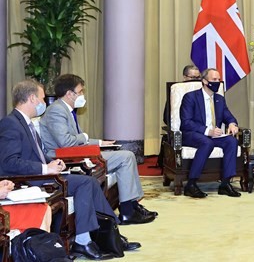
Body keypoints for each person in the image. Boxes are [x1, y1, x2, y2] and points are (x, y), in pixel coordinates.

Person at [0, 80, 139, 260]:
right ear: (32, 98)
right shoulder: (11, 123)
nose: (44, 102)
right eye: (42, 98)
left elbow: (38, 154)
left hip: (41, 175)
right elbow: (9, 162)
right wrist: (45, 168)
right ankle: (84, 242)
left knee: (89, 182)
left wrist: (54, 162)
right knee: (85, 183)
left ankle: (110, 236)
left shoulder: (25, 122)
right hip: (28, 179)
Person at [39, 74, 156, 225]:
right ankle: (127, 211)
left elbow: (78, 139)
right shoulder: (57, 111)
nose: (82, 95)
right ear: (69, 94)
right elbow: (66, 142)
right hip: (64, 158)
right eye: (80, 92)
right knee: (126, 156)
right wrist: (85, 137)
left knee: (127, 155)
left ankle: (132, 205)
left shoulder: (66, 110)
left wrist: (101, 143)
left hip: (75, 153)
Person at [179, 68, 241, 198]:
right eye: (214, 79)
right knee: (207, 143)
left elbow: (228, 116)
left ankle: (225, 183)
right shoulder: (190, 97)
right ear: (204, 81)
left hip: (214, 135)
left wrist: (232, 123)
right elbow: (186, 122)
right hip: (193, 134)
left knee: (231, 141)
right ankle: (191, 184)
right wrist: (208, 131)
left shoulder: (219, 99)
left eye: (218, 79)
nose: (217, 82)